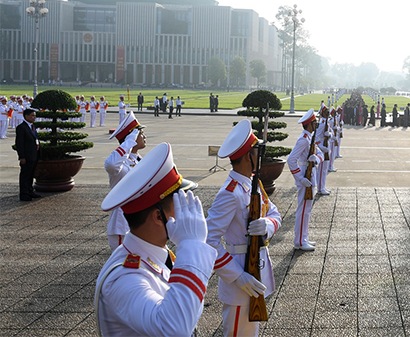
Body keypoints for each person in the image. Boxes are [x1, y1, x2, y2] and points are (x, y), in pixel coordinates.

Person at [94, 143, 214, 337]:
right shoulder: (124, 277)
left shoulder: (158, 254)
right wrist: (192, 246)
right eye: (179, 203)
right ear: (159, 217)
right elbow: (174, 328)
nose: (185, 209)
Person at [207, 120, 282, 337]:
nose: (260, 156)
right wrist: (237, 276)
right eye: (257, 152)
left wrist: (266, 225)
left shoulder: (252, 183)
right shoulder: (230, 193)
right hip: (239, 275)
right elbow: (209, 241)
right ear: (249, 156)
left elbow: (275, 214)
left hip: (256, 268)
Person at [105, 112, 147, 249]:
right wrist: (129, 142)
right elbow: (111, 165)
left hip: (138, 222)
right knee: (123, 262)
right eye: (140, 134)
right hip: (122, 225)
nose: (144, 136)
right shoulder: (121, 164)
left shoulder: (138, 160)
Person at [286, 109, 321, 251]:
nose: (316, 125)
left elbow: (319, 154)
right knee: (303, 210)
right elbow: (291, 160)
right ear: (309, 124)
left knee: (307, 210)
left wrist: (316, 159)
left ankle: (303, 237)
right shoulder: (303, 139)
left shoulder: (309, 138)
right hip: (305, 177)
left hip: (310, 175)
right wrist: (300, 178)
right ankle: (300, 241)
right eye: (314, 123)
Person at [16, 108, 40, 201]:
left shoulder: (32, 126)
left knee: (31, 174)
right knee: (25, 175)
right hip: (27, 155)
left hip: (34, 154)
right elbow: (19, 144)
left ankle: (30, 191)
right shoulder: (21, 127)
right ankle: (24, 194)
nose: (34, 117)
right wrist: (22, 156)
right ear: (26, 116)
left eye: (35, 116)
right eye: (32, 116)